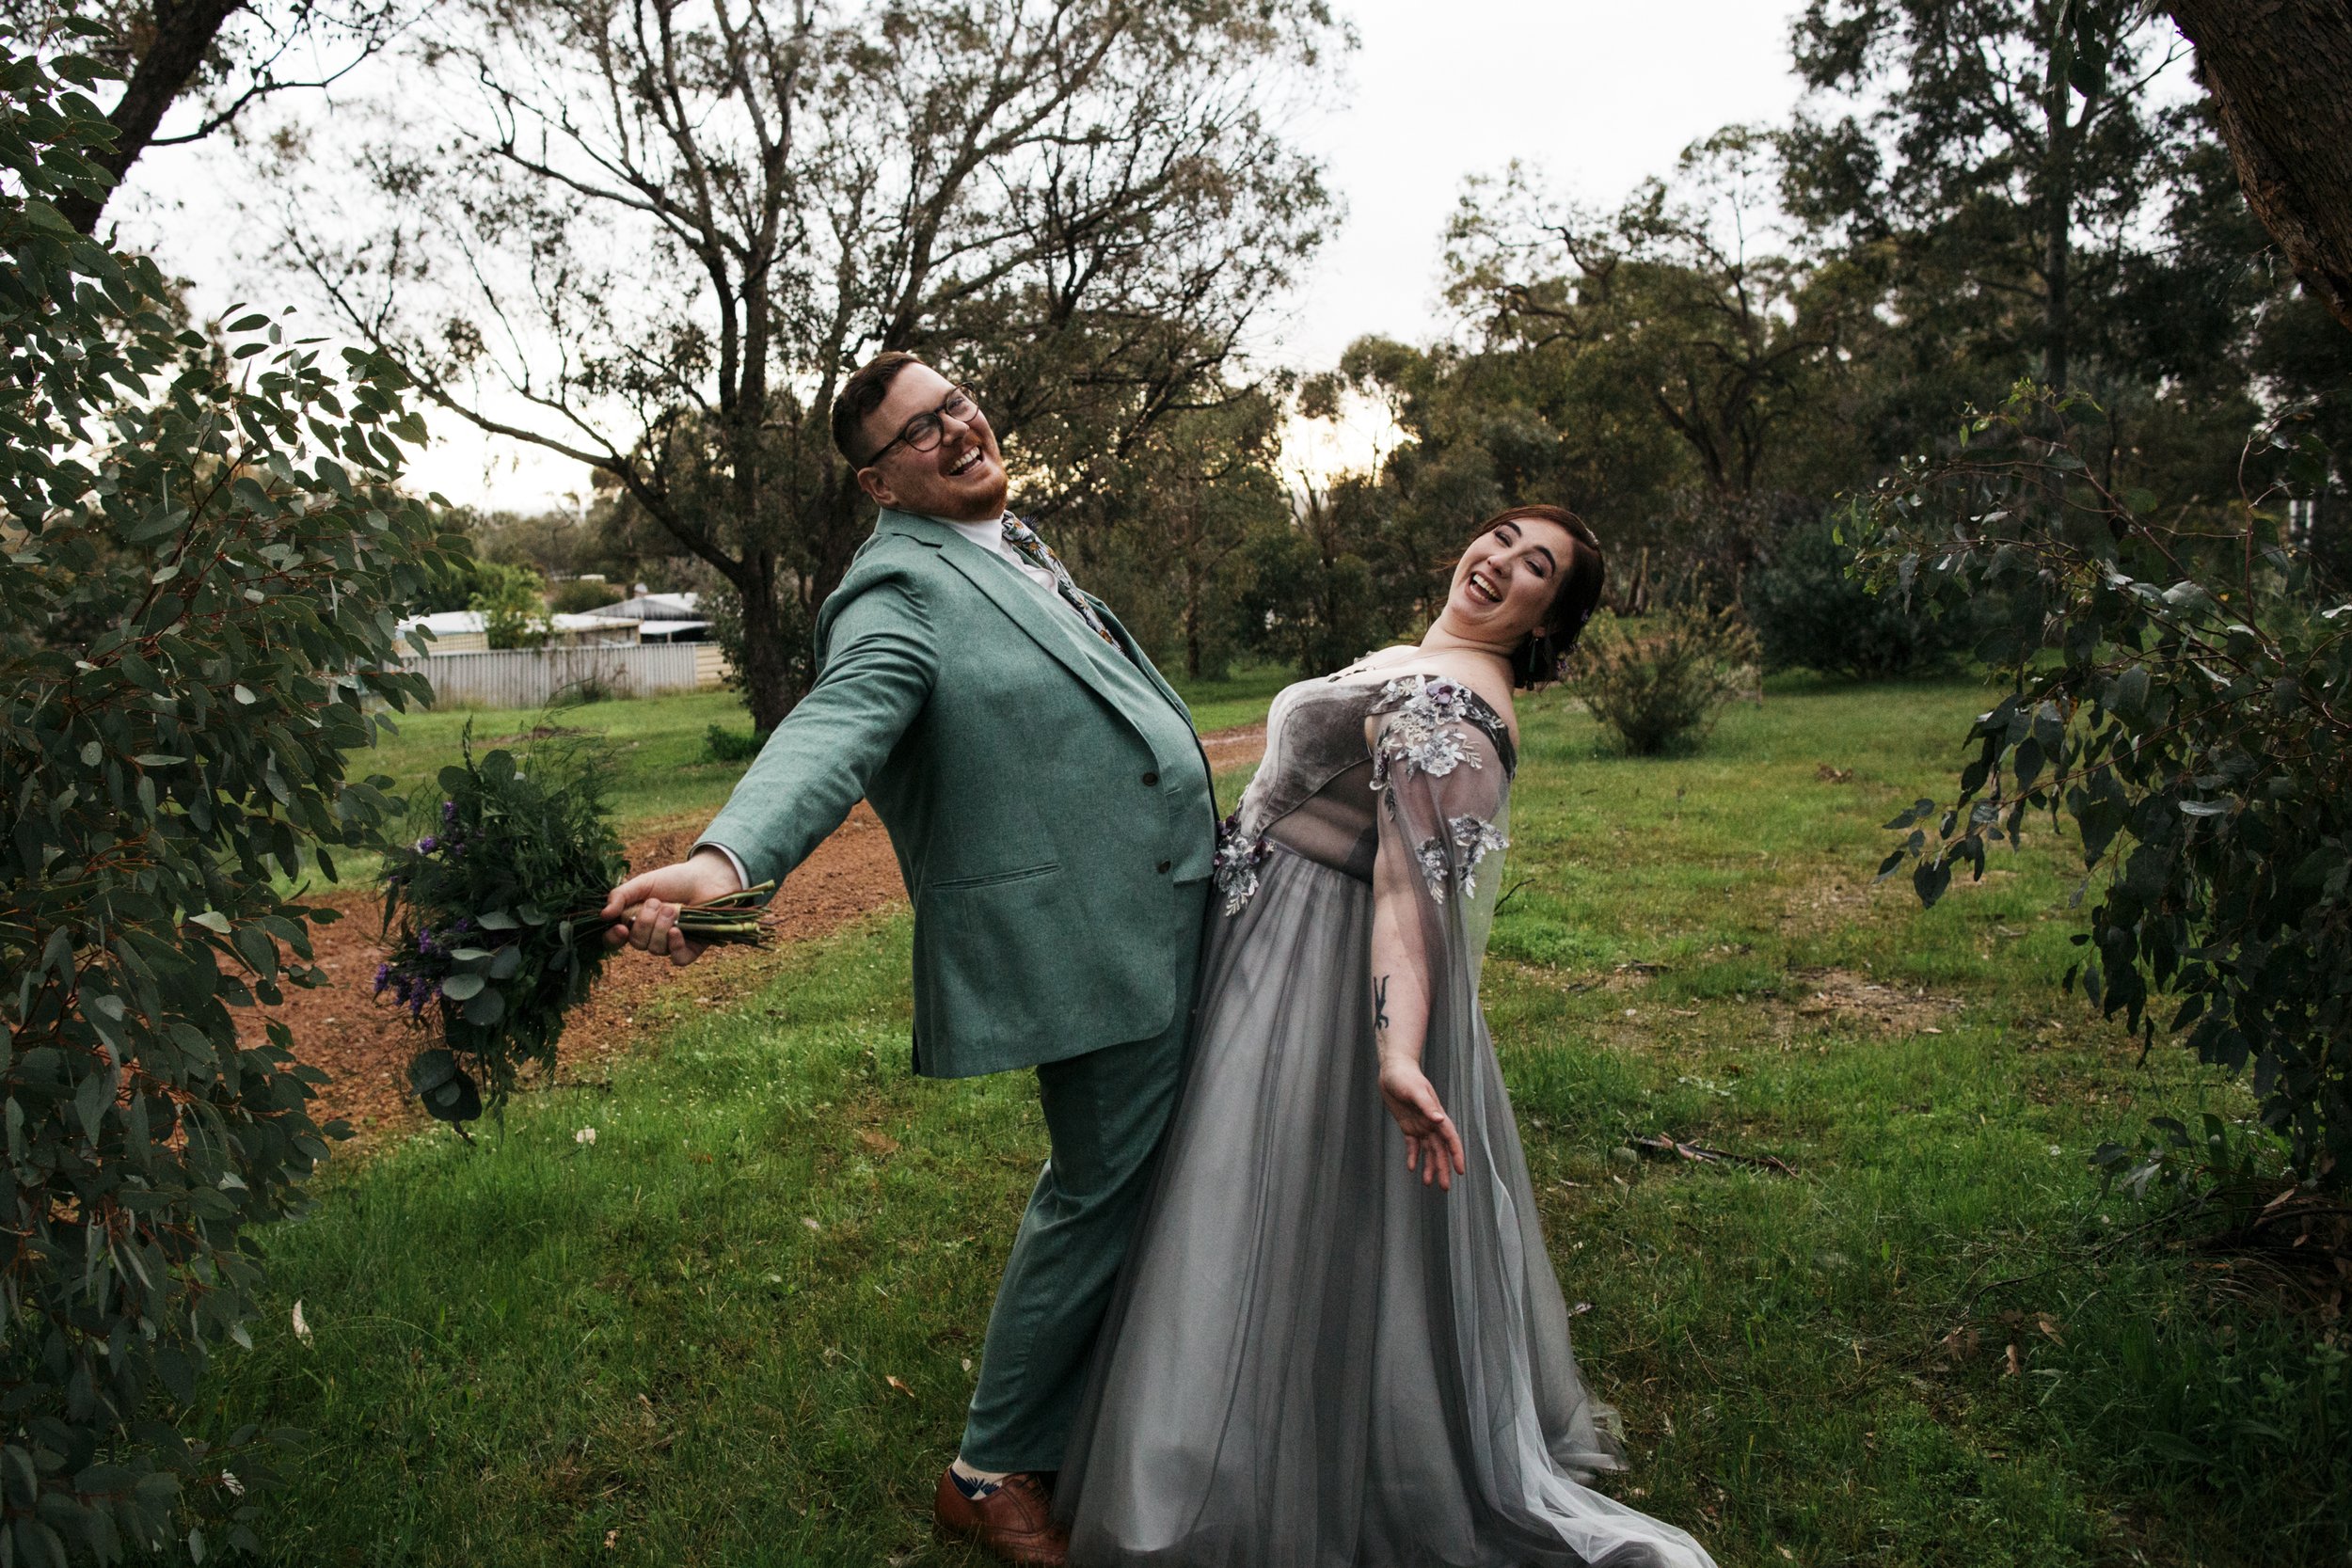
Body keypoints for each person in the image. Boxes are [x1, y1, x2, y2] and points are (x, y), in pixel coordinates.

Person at [601, 353, 1216, 1568]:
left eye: (956, 404)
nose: (957, 430)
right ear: (880, 484)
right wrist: (727, 858)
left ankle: (1120, 1395)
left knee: (1151, 1175)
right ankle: (988, 1470)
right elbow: (836, 723)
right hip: (1086, 934)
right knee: (1099, 1188)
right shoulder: (895, 587)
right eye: (919, 432)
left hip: (1173, 899)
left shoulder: (1011, 545)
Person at [1056, 505, 1719, 1568]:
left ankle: (1214, 1465)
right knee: (1246, 1191)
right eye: (1501, 535)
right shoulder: (1427, 659)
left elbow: (1412, 898)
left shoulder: (1453, 711)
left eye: (1535, 567)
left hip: (1307, 969)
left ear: (1549, 620)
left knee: (1250, 1197)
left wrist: (1397, 1050)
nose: (1499, 560)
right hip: (1260, 938)